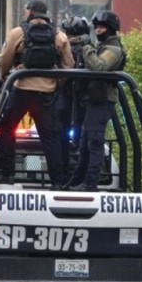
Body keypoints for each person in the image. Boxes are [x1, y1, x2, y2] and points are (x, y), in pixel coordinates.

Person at [0, 0, 74, 189]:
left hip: (21, 89)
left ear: (29, 12)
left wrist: (4, 76)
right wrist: (55, 81)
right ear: (45, 14)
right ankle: (57, 181)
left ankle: (7, 175)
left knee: (6, 128)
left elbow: (4, 59)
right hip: (46, 93)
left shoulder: (18, 33)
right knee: (50, 137)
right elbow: (69, 65)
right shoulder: (59, 36)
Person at [64, 10, 127, 192]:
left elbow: (100, 67)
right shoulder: (101, 47)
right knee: (84, 142)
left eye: (102, 27)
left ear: (111, 29)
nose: (98, 30)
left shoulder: (113, 50)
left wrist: (86, 48)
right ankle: (77, 181)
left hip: (103, 100)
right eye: (97, 27)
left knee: (94, 141)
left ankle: (90, 183)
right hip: (93, 100)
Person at [57, 15, 90, 183]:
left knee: (62, 135)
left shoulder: (62, 47)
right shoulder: (88, 48)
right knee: (81, 136)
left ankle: (62, 176)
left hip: (67, 97)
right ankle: (77, 176)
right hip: (81, 98)